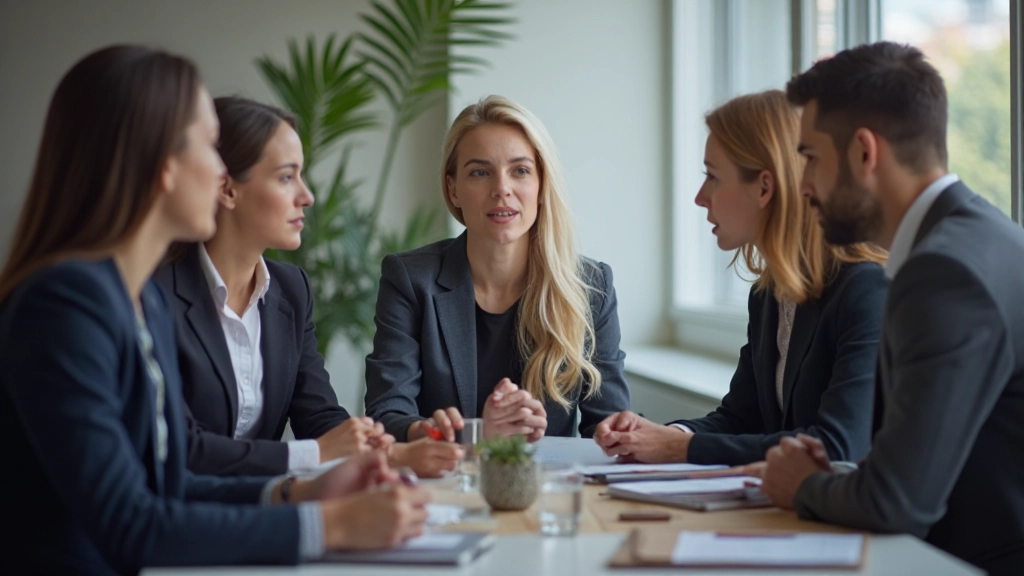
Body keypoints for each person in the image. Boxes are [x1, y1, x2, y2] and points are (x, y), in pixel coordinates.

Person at [0, 45, 429, 575]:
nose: (222, 170)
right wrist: (332, 525)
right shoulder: (63, 306)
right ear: (161, 165)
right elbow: (131, 524)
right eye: (209, 145)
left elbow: (169, 480)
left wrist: (302, 493)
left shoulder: (138, 300)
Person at [757, 41, 1024, 576]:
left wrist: (804, 485)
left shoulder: (944, 275)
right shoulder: (984, 234)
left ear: (863, 152)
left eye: (809, 156)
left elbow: (897, 502)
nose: (802, 184)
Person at [156, 96, 462, 478]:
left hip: (264, 508)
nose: (307, 196)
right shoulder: (155, 293)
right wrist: (312, 454)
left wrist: (379, 447)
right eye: (286, 177)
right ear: (228, 189)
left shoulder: (289, 289)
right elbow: (181, 447)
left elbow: (317, 415)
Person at [593, 91, 887, 466]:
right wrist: (667, 435)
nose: (701, 197)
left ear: (765, 187)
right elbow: (741, 419)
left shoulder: (865, 289)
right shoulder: (768, 295)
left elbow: (838, 446)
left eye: (712, 176)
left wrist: (679, 449)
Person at [364, 95, 631, 443]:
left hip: (545, 488)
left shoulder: (590, 286)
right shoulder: (411, 280)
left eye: (520, 171)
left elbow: (607, 425)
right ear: (453, 188)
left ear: (541, 185)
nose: (502, 189)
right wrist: (477, 434)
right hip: (442, 485)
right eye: (479, 172)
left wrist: (628, 434)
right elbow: (387, 416)